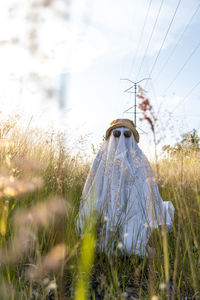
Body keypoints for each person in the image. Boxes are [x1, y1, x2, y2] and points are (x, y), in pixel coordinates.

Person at [77, 119, 174, 256]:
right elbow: (93, 190)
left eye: (127, 135)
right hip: (105, 215)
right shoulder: (101, 160)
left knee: (131, 246)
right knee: (102, 246)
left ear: (132, 138)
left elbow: (149, 193)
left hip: (134, 216)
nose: (121, 140)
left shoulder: (139, 160)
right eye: (116, 134)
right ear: (110, 137)